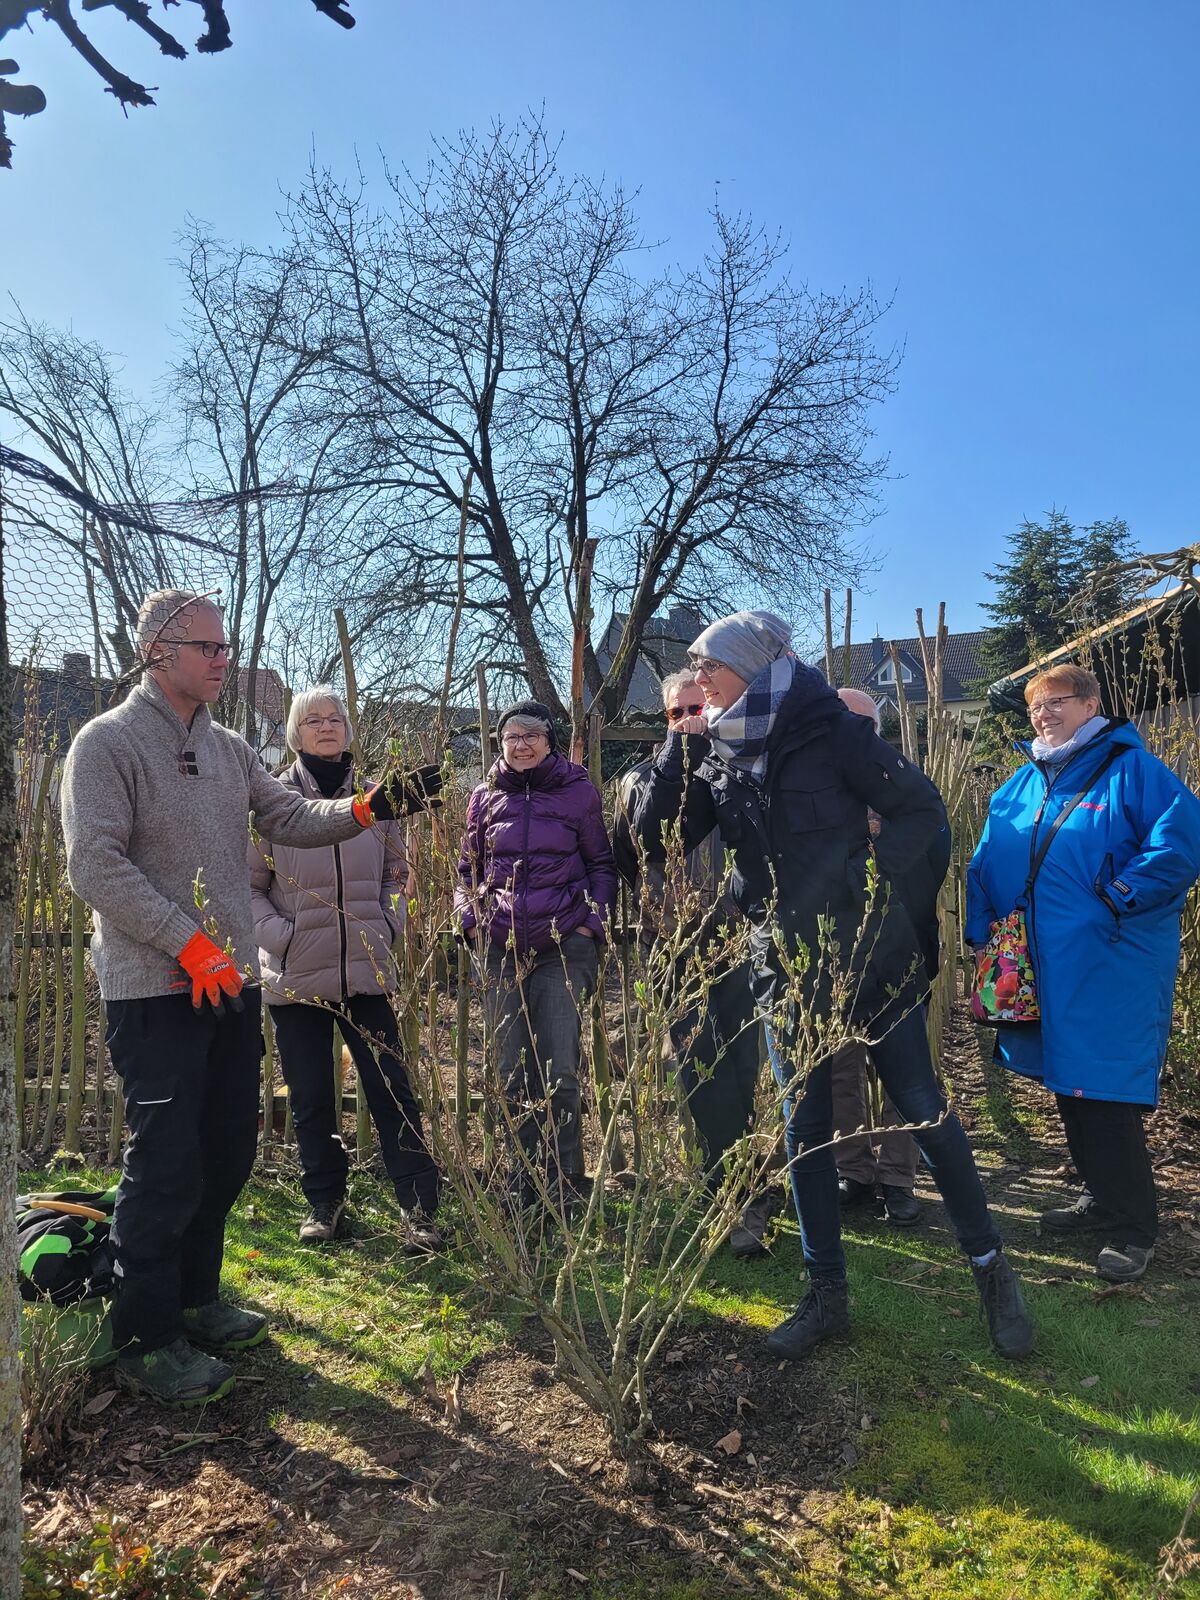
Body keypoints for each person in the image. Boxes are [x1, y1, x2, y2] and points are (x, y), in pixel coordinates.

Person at [60, 589, 437, 1406]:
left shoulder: (230, 749)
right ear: (160, 649)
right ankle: (146, 1336)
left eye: (225, 646)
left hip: (228, 984)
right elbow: (93, 863)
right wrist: (185, 942)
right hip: (155, 987)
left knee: (227, 1149)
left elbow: (292, 816)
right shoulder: (107, 744)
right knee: (165, 1160)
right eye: (210, 647)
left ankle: (196, 1299)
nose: (225, 659)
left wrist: (371, 807)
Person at [630, 609, 1034, 1362]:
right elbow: (657, 839)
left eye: (707, 664)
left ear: (748, 665)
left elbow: (924, 815)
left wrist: (869, 888)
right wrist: (676, 752)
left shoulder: (830, 730)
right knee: (804, 1126)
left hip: (870, 960)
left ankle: (990, 1270)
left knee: (922, 1109)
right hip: (783, 966)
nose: (697, 679)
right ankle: (825, 1296)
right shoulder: (713, 751)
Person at [967, 663, 1200, 1284]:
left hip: (1109, 960)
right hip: (1041, 963)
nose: (1043, 713)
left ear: (1092, 703)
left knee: (1103, 1091)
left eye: (1057, 701)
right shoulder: (1020, 784)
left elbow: (1178, 841)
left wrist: (1121, 893)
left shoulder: (1133, 771)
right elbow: (985, 858)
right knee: (1067, 1083)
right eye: (1035, 706)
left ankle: (1134, 1226)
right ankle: (1102, 1197)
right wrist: (982, 926)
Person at [249, 686, 441, 1248]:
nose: (327, 727)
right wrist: (281, 939)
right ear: (295, 733)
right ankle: (325, 1204)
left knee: (391, 1090)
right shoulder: (274, 802)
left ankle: (420, 1212)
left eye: (335, 718)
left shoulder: (376, 800)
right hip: (296, 973)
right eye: (313, 720)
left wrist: (388, 923)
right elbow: (249, 888)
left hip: (367, 970)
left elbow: (398, 875)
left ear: (348, 730)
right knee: (310, 1097)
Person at [614, 669, 781, 1255]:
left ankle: (750, 1185)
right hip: (673, 943)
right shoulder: (638, 783)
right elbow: (624, 860)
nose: (687, 722)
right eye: (674, 714)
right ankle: (730, 1198)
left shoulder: (745, 772)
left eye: (696, 709)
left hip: (741, 936)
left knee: (741, 1063)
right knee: (695, 1067)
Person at [455, 701, 617, 1205]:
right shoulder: (483, 799)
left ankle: (564, 1183)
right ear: (499, 745)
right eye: (510, 736)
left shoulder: (578, 792)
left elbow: (603, 865)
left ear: (551, 741)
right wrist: (470, 921)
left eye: (531, 734)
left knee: (559, 1069)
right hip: (501, 945)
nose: (520, 744)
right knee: (508, 1070)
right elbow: (467, 872)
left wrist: (590, 925)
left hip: (562, 944)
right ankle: (520, 1180)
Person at [830, 688, 951, 1227]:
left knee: (906, 1077)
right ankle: (851, 1170)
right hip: (832, 961)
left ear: (877, 731)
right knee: (837, 1070)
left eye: (860, 726)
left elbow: (932, 869)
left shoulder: (907, 790)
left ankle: (899, 1178)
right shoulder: (816, 792)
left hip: (900, 955)